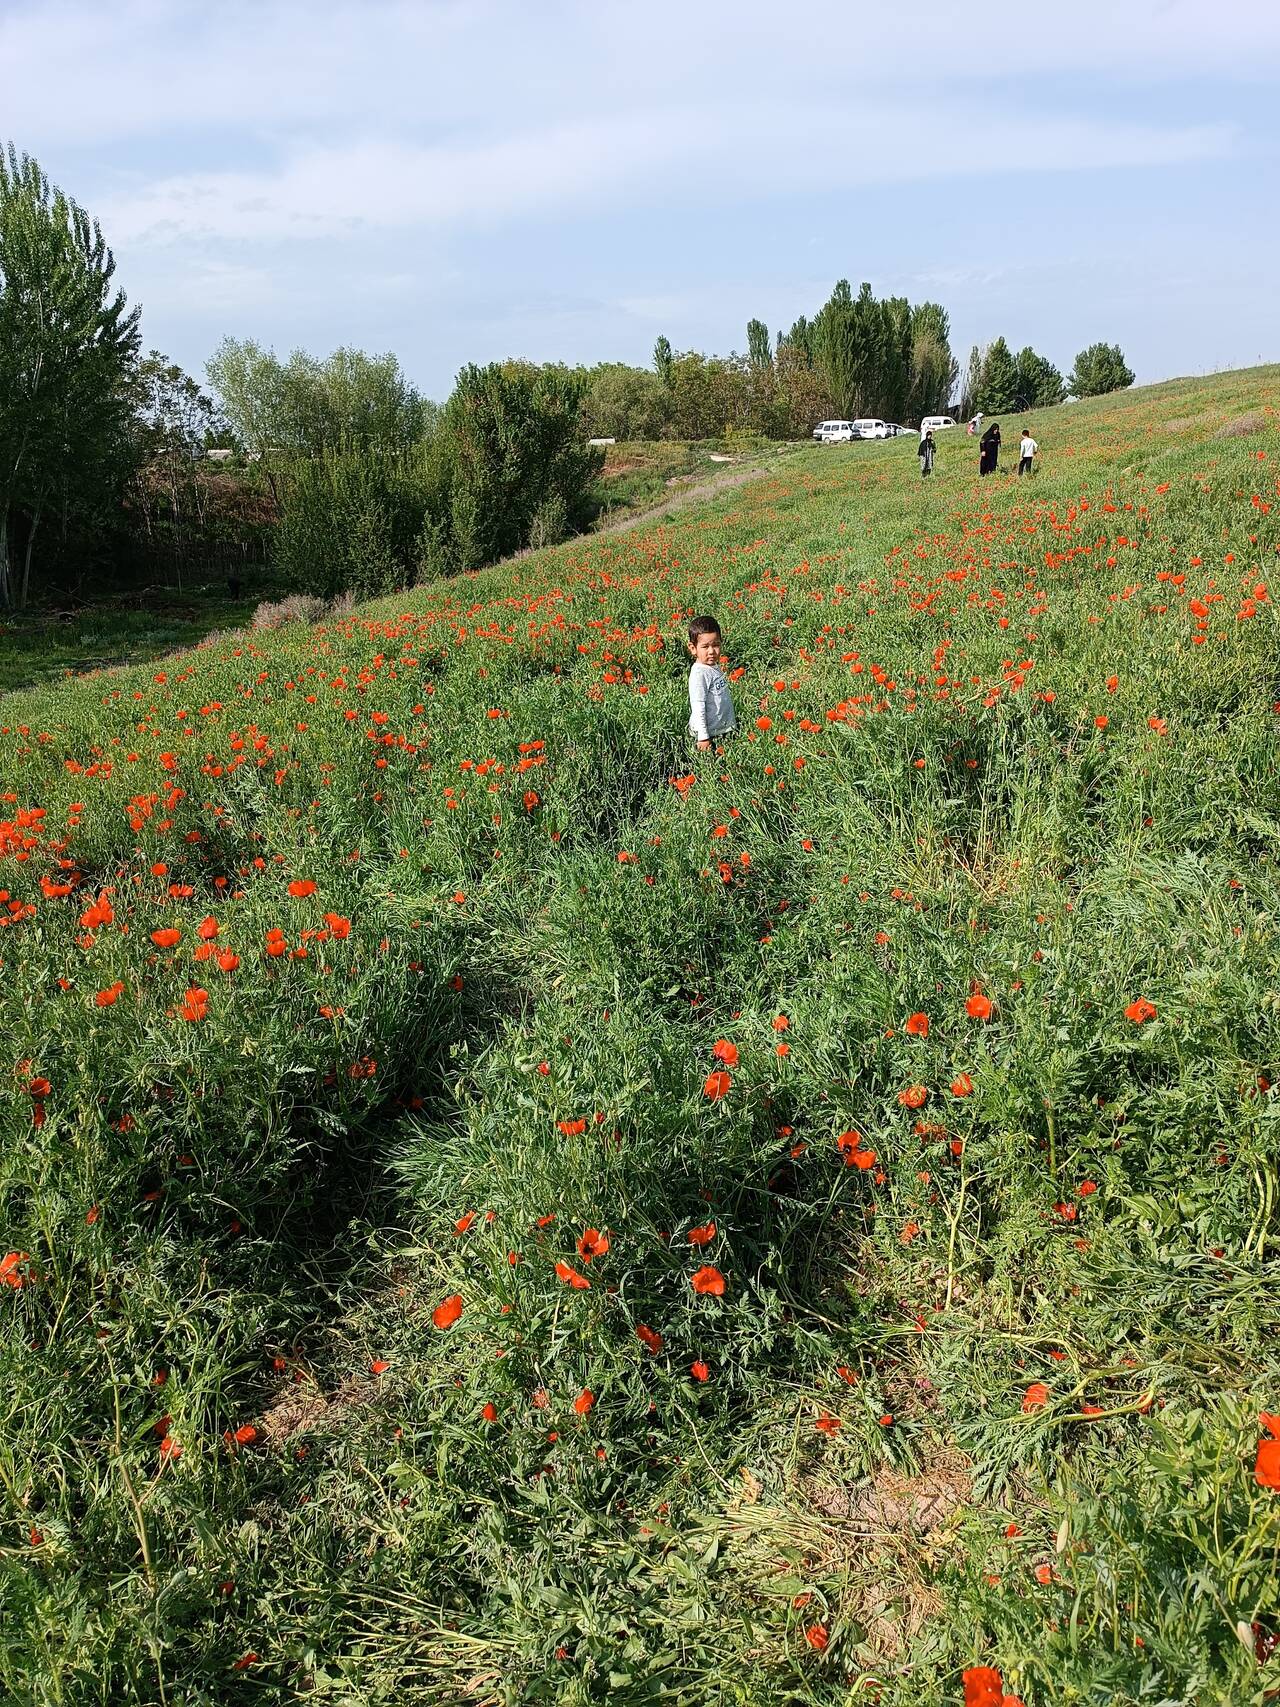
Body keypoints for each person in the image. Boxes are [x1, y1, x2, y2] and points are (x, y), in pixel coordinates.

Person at [687, 615, 737, 751]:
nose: (711, 651)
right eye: (705, 646)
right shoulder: (699, 674)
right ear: (693, 648)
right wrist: (703, 737)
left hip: (720, 729)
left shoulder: (712, 666)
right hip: (708, 735)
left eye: (716, 645)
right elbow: (698, 706)